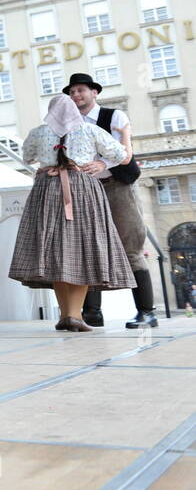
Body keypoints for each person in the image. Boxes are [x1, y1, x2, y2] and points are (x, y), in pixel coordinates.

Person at [9, 94, 135, 328]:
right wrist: (125, 135)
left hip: (46, 189)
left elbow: (26, 157)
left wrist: (48, 164)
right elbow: (121, 156)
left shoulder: (38, 132)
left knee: (55, 251)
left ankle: (65, 315)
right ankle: (74, 316)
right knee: (83, 249)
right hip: (82, 189)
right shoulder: (90, 130)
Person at [63, 73, 157, 329]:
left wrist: (103, 163)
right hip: (86, 189)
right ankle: (92, 312)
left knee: (131, 245)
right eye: (71, 93)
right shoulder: (69, 123)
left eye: (80, 90)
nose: (75, 96)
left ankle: (147, 312)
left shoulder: (114, 116)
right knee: (88, 247)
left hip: (118, 185)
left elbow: (125, 152)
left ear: (94, 92)